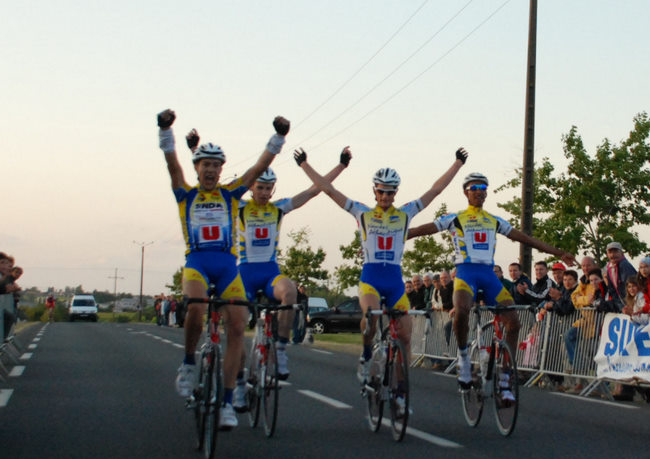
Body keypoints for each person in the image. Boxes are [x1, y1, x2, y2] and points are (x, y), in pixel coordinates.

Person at [295, 145, 468, 407]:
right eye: (380, 191)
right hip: (371, 279)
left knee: (406, 337)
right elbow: (328, 190)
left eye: (389, 192)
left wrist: (457, 163)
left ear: (395, 193)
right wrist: (305, 164)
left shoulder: (405, 214)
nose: (385, 196)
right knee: (371, 319)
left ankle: (399, 389)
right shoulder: (362, 212)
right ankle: (366, 357)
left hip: (395, 281)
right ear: (374, 191)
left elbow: (435, 191)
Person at [157, 108, 289, 430]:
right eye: (206, 165)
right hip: (198, 264)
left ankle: (229, 401)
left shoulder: (232, 194)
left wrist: (279, 137)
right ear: (198, 167)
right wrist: (165, 131)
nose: (212, 170)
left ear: (221, 169)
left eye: (217, 165)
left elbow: (260, 166)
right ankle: (189, 363)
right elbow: (172, 164)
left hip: (229, 269)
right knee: (197, 307)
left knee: (236, 327)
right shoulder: (185, 195)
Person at [408, 171, 575, 395]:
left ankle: (506, 375)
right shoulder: (454, 218)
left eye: (483, 189)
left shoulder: (493, 220)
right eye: (475, 189)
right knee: (461, 311)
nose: (480, 193)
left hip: (488, 275)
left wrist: (558, 252)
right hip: (466, 274)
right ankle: (464, 359)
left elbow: (526, 238)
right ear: (466, 192)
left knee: (514, 323)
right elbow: (420, 231)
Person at [235, 147, 351, 399]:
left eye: (268, 188)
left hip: (269, 272)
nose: (264, 193)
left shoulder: (278, 209)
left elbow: (314, 191)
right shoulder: (240, 208)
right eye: (260, 188)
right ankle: (240, 382)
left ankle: (281, 348)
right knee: (236, 326)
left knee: (289, 292)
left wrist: (340, 166)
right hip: (244, 272)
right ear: (251, 188)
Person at [603, 242, 637, 311]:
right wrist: (620, 306)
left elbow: (631, 287)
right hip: (624, 305)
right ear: (607, 255)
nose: (613, 255)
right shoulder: (609, 268)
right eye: (610, 252)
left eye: (615, 252)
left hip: (634, 304)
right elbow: (613, 290)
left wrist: (630, 304)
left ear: (622, 253)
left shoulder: (624, 266)